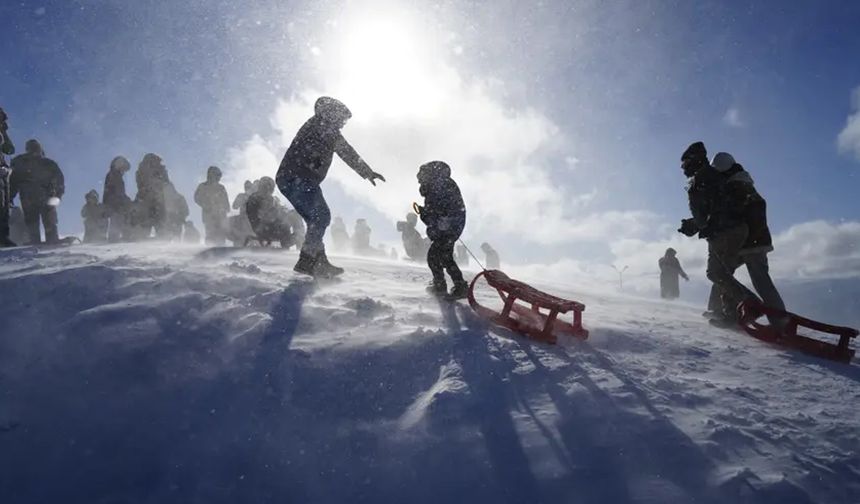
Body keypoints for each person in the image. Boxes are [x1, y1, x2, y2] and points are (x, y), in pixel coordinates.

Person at [276, 96, 385, 277]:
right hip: (297, 178)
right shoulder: (321, 126)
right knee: (320, 216)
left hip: (295, 179)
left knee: (316, 219)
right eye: (342, 119)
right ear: (331, 114)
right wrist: (366, 172)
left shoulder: (323, 127)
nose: (342, 124)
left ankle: (319, 261)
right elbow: (345, 151)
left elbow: (346, 151)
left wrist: (367, 172)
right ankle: (307, 260)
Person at [678, 142, 757, 324]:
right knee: (721, 273)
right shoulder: (711, 177)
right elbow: (713, 210)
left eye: (684, 164)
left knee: (717, 273)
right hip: (729, 229)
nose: (683, 169)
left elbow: (710, 213)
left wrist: (697, 225)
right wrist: (696, 224)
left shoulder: (703, 180)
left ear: (694, 161)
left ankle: (747, 305)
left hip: (726, 231)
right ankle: (730, 312)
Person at [713, 152, 787, 328]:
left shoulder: (736, 186)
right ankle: (729, 312)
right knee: (722, 273)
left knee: (752, 279)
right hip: (750, 241)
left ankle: (780, 323)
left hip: (751, 243)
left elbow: (747, 214)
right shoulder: (740, 183)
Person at [416, 161, 468, 298]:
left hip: (447, 229)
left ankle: (441, 285)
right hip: (449, 228)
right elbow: (436, 212)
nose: (419, 179)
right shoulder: (439, 185)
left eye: (421, 175)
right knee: (445, 257)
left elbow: (439, 210)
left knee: (434, 257)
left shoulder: (439, 185)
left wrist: (430, 215)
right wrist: (427, 214)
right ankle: (458, 285)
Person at [9, 139, 64, 245]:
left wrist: (10, 197)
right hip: (44, 198)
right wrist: (58, 195)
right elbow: (59, 180)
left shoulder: (21, 164)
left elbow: (13, 182)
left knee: (34, 226)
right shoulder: (47, 163)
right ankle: (49, 242)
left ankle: (38, 243)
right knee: (47, 225)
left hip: (30, 199)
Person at [246, 176, 294, 248]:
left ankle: (292, 244)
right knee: (285, 227)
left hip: (270, 227)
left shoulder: (271, 199)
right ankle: (286, 245)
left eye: (270, 187)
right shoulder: (255, 198)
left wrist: (284, 211)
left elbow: (279, 211)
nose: (268, 189)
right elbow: (262, 216)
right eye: (265, 186)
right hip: (262, 228)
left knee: (292, 219)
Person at [133, 153, 169, 240]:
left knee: (152, 228)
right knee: (153, 227)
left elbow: (166, 183)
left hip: (152, 202)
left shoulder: (143, 170)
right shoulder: (143, 170)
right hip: (151, 203)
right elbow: (166, 184)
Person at [194, 166, 230, 245]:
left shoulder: (221, 187)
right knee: (210, 233)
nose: (218, 178)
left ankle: (221, 249)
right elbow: (196, 198)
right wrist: (205, 205)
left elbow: (225, 200)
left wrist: (226, 209)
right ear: (211, 175)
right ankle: (210, 249)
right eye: (217, 175)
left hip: (220, 215)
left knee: (221, 233)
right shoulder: (203, 186)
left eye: (219, 176)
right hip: (208, 215)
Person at [103, 156, 132, 242]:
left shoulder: (113, 174)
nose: (124, 172)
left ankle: (116, 240)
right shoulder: (115, 175)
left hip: (114, 205)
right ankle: (116, 241)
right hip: (115, 206)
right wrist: (125, 201)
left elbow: (116, 192)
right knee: (117, 223)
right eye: (124, 169)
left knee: (116, 224)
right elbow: (118, 192)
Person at [0, 107, 16, 247]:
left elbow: (9, 149)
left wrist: (4, 132)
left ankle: (3, 237)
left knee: (4, 207)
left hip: (2, 173)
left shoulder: (1, 132)